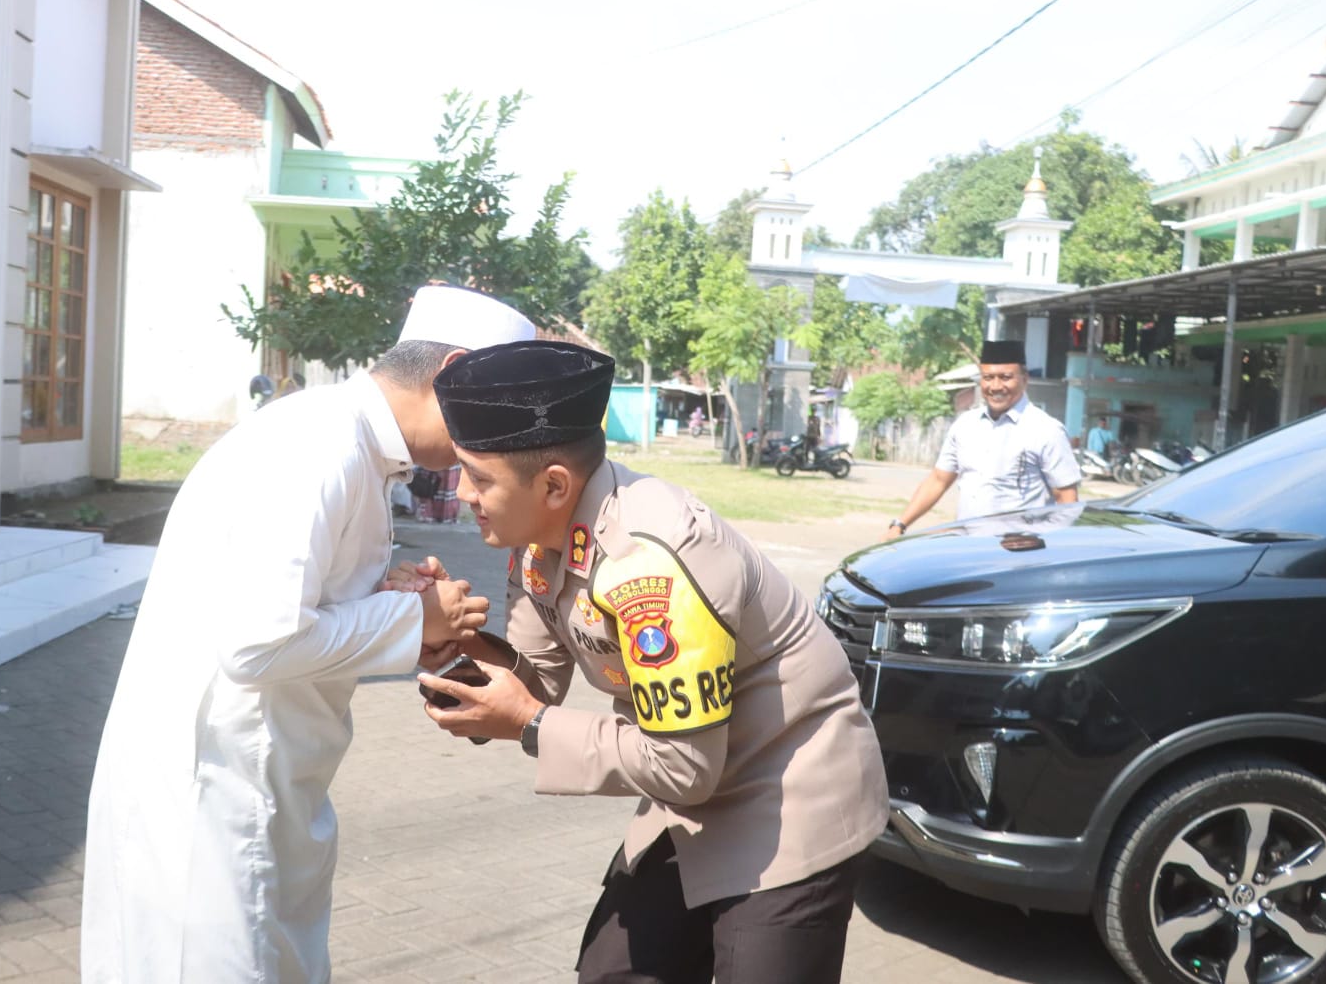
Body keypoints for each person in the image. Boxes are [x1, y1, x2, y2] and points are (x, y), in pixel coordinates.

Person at [80, 286, 537, 984]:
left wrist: (395, 604)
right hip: (215, 791)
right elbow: (257, 642)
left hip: (268, 780)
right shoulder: (321, 446)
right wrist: (416, 618)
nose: (492, 445)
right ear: (451, 374)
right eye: (494, 412)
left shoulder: (350, 444)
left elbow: (298, 605)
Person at [407, 340, 887, 984]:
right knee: (613, 973)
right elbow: (536, 679)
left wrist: (527, 723)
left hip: (788, 792)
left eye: (480, 477)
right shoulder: (538, 538)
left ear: (554, 485)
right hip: (687, 782)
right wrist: (456, 645)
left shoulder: (653, 561)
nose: (462, 492)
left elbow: (681, 765)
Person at [885, 339, 1080, 540]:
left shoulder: (1046, 430)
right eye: (988, 377)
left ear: (1024, 379)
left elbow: (1067, 502)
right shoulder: (965, 425)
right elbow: (938, 480)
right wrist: (899, 525)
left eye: (1005, 377)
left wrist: (1040, 540)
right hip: (969, 547)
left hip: (1020, 552)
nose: (995, 386)